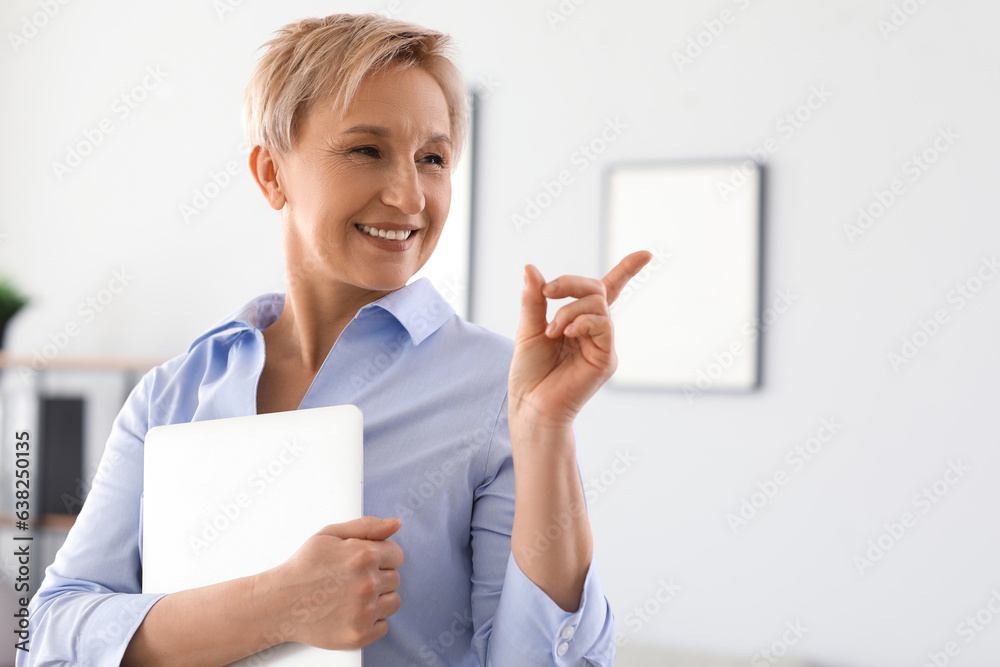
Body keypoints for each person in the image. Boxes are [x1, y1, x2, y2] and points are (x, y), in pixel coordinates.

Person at [19, 13, 651, 666]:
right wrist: (277, 605)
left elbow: (546, 660)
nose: (410, 194)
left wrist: (546, 431)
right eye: (366, 149)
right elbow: (54, 631)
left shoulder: (502, 387)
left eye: (432, 158)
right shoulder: (172, 392)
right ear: (271, 174)